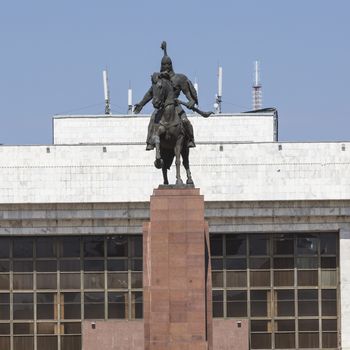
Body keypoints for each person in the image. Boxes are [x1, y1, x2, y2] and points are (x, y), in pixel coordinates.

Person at [134, 41, 198, 150]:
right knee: (153, 119)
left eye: (168, 64)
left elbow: (187, 93)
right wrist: (141, 104)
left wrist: (191, 101)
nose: (166, 66)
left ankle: (190, 140)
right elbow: (150, 94)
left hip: (176, 105)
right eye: (164, 65)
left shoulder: (179, 78)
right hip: (162, 107)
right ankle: (150, 141)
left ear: (171, 65)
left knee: (185, 121)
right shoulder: (160, 80)